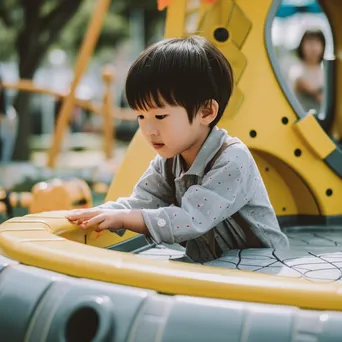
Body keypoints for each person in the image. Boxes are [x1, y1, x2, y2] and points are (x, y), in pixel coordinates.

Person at [67, 35, 289, 263]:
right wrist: (103, 212)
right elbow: (143, 201)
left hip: (263, 262)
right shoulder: (169, 160)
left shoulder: (232, 159)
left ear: (206, 112)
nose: (149, 129)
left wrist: (124, 218)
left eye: (160, 116)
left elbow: (192, 218)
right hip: (217, 263)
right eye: (141, 116)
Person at [288, 29, 326, 114]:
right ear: (301, 46)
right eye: (309, 43)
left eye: (316, 43)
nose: (313, 47)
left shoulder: (324, 70)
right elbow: (303, 84)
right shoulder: (297, 70)